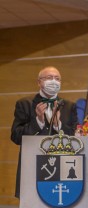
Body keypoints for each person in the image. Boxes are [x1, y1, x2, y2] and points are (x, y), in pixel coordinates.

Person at [11, 66, 78, 198]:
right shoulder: (24, 104)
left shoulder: (69, 106)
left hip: (61, 168)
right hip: (32, 168)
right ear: (39, 82)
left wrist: (58, 125)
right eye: (49, 78)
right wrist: (38, 122)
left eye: (57, 79)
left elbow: (75, 137)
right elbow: (15, 136)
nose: (54, 81)